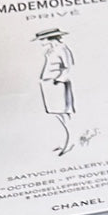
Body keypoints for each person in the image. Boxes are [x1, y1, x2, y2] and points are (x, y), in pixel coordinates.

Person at [34, 27, 75, 156]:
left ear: (50, 38)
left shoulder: (62, 49)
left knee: (64, 114)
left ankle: (70, 142)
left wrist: (59, 80)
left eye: (42, 39)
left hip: (58, 84)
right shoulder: (50, 50)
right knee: (57, 114)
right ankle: (65, 141)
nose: (41, 42)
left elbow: (68, 67)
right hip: (49, 84)